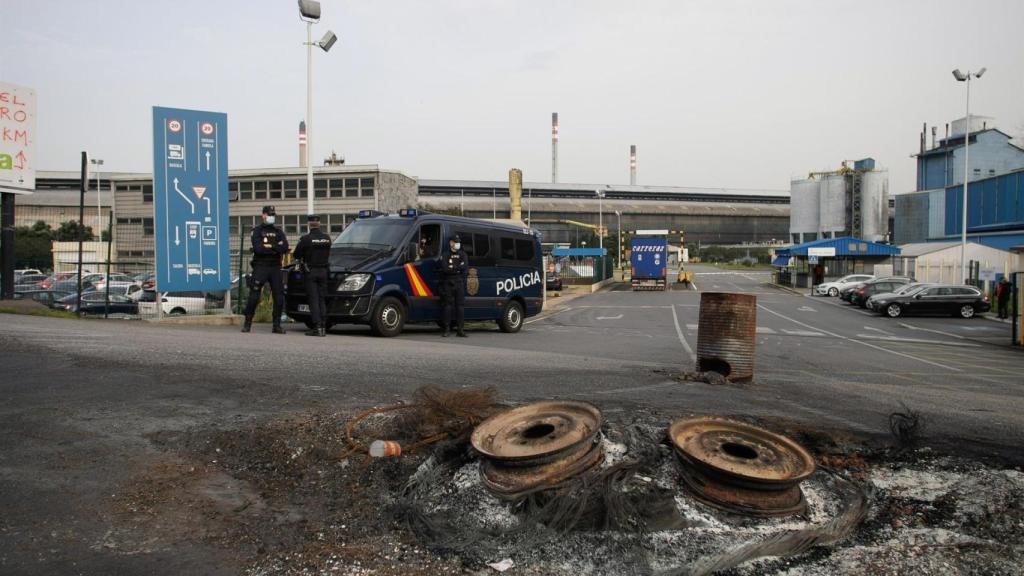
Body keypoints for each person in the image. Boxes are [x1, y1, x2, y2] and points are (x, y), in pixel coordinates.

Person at [242, 205, 289, 334]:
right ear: (263, 215)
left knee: (279, 297)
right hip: (261, 266)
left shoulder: (279, 232)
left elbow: (285, 248)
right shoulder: (257, 231)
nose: (271, 217)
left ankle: (277, 325)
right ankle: (247, 323)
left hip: (275, 267)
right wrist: (275, 247)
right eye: (269, 214)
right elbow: (258, 249)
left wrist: (269, 246)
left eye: (273, 215)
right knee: (254, 296)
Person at [293, 214, 332, 337]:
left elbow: (296, 255)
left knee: (313, 300)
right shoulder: (327, 238)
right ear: (319, 223)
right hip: (324, 272)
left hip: (311, 272)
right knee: (322, 299)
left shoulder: (305, 239)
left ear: (309, 224)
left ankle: (317, 327)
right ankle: (323, 326)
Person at [438, 234, 468, 338]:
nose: (457, 244)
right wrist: (457, 267)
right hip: (448, 282)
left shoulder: (463, 254)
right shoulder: (445, 254)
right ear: (451, 243)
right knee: (447, 306)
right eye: (455, 242)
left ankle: (460, 330)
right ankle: (446, 329)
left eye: (458, 242)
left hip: (459, 282)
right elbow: (445, 269)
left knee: (460, 306)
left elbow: (465, 268)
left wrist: (453, 267)